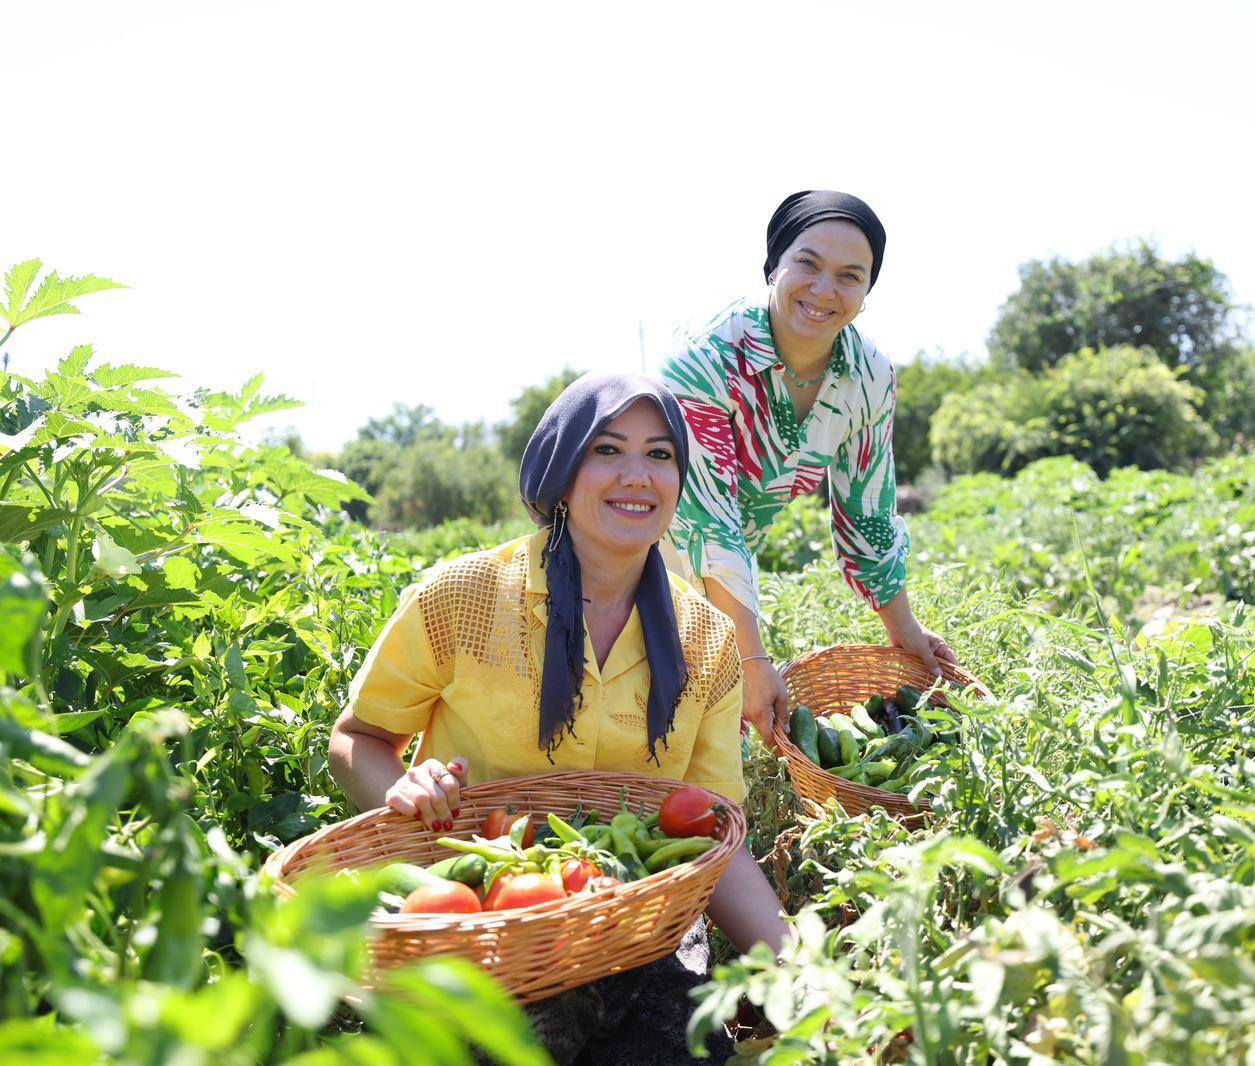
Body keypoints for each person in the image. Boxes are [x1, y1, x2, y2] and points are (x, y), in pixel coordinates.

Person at [327, 373, 787, 1065]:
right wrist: (404, 786)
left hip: (628, 926)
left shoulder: (707, 640)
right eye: (608, 450)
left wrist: (806, 972)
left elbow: (713, 835)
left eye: (660, 455)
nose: (637, 476)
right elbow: (356, 739)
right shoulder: (465, 597)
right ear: (561, 470)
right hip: (479, 915)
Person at [660, 190, 959, 745]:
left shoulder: (868, 377)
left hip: (725, 575)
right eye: (808, 263)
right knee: (651, 722)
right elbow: (706, 522)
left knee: (715, 735)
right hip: (638, 551)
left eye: (850, 275)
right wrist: (751, 659)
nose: (824, 290)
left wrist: (906, 632)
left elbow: (866, 514)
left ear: (867, 292)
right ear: (775, 264)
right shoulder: (706, 359)